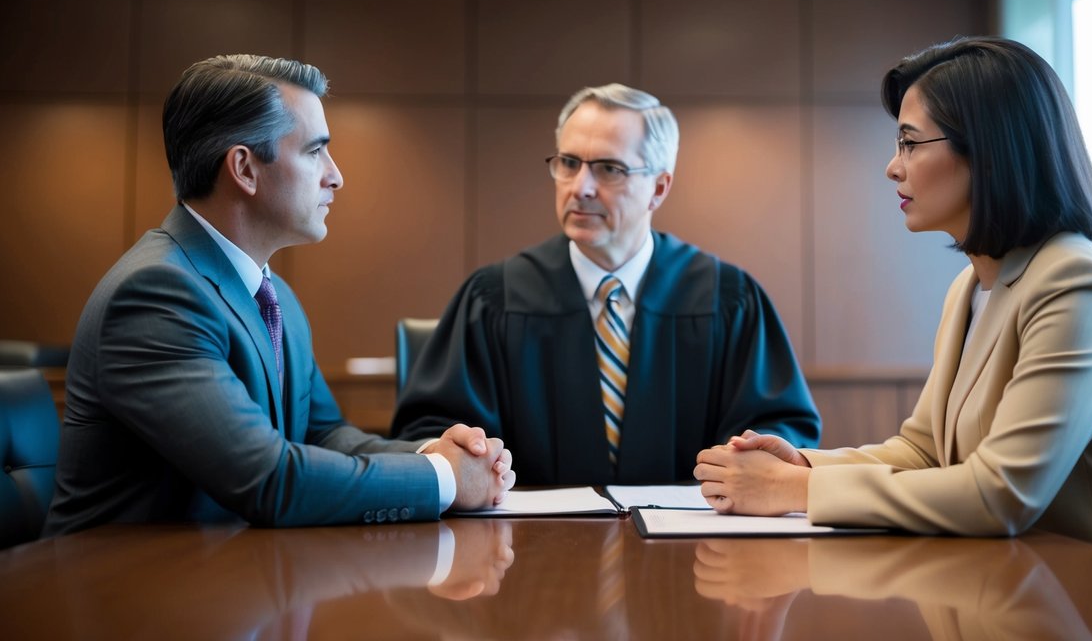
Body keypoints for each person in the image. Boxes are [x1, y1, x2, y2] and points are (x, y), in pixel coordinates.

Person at [694, 36, 1092, 568]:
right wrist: (803, 464)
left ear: (988, 150)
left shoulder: (1075, 282)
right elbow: (924, 453)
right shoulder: (972, 286)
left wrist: (793, 491)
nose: (893, 167)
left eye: (910, 143)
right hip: (1030, 580)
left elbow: (1002, 494)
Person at [44, 54, 514, 536]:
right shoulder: (155, 294)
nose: (336, 176)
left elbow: (323, 434)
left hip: (229, 586)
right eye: (315, 151)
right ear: (245, 169)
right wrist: (444, 480)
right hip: (123, 593)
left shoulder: (274, 296)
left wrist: (434, 454)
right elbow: (268, 479)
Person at [392, 83, 820, 485]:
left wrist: (751, 458)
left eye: (609, 168)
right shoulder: (493, 297)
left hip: (695, 550)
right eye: (569, 163)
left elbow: (780, 428)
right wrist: (461, 453)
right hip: (521, 549)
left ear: (658, 186)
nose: (582, 187)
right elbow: (431, 430)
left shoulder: (727, 298)